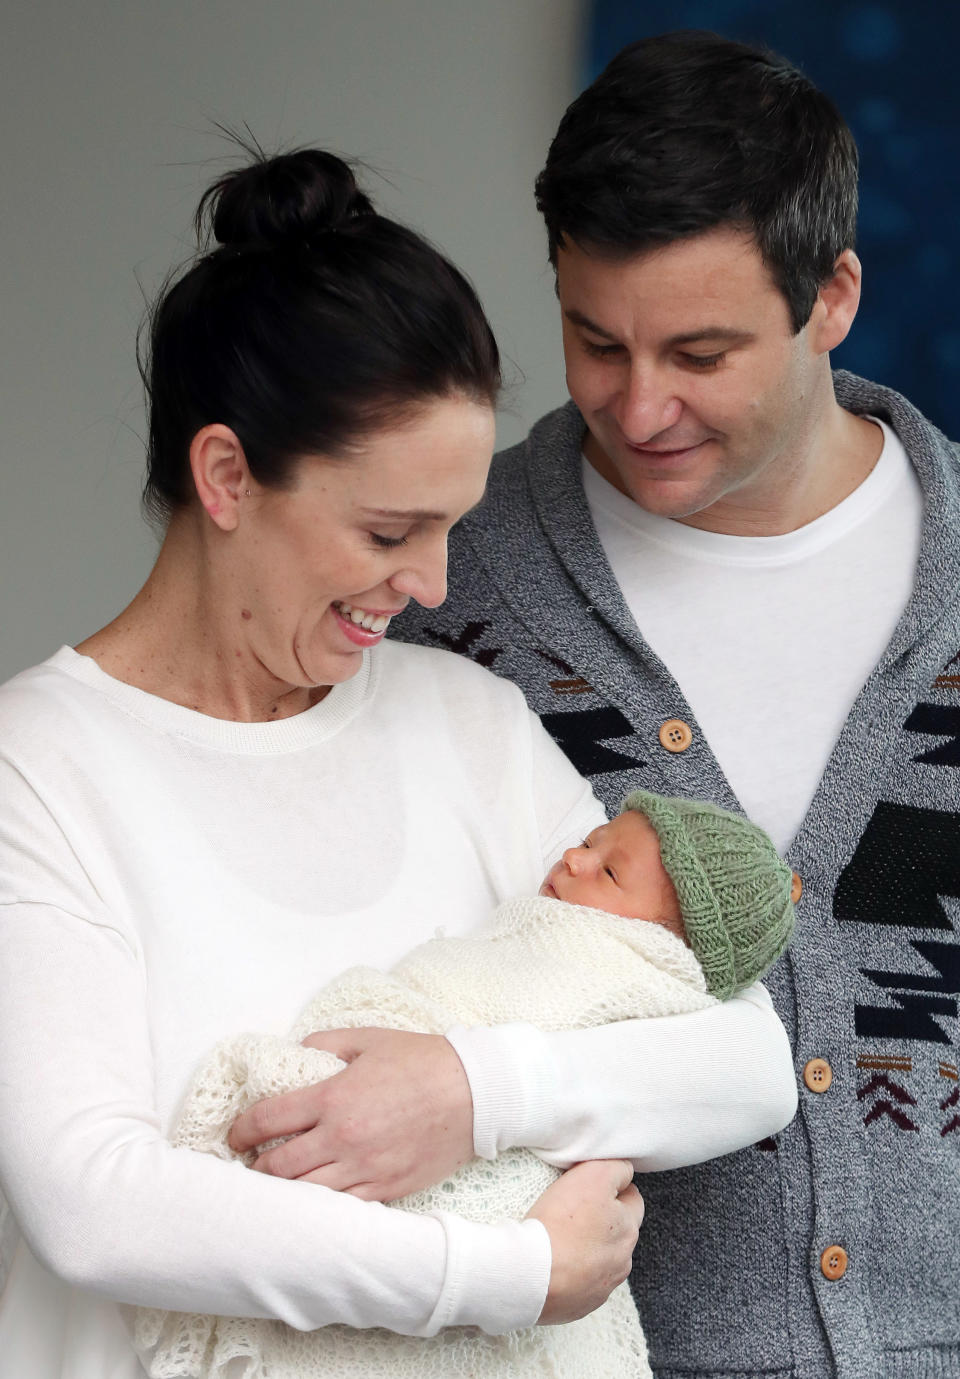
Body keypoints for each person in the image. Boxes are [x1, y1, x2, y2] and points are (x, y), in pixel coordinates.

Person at [0, 146, 795, 1379]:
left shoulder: (463, 721)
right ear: (226, 475)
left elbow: (745, 1061)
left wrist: (471, 1092)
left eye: (451, 529)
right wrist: (504, 1277)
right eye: (387, 530)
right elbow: (95, 1202)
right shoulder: (41, 765)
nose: (429, 586)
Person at [391, 28, 960, 1379]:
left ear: (833, 296)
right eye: (596, 342)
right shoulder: (447, 588)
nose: (639, 406)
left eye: (701, 352)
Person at [136, 790, 796, 1379]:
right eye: (591, 842)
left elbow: (758, 1067)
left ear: (669, 943)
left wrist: (472, 1085)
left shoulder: (636, 977)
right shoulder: (537, 896)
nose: (574, 859)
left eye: (611, 871)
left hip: (496, 1200)